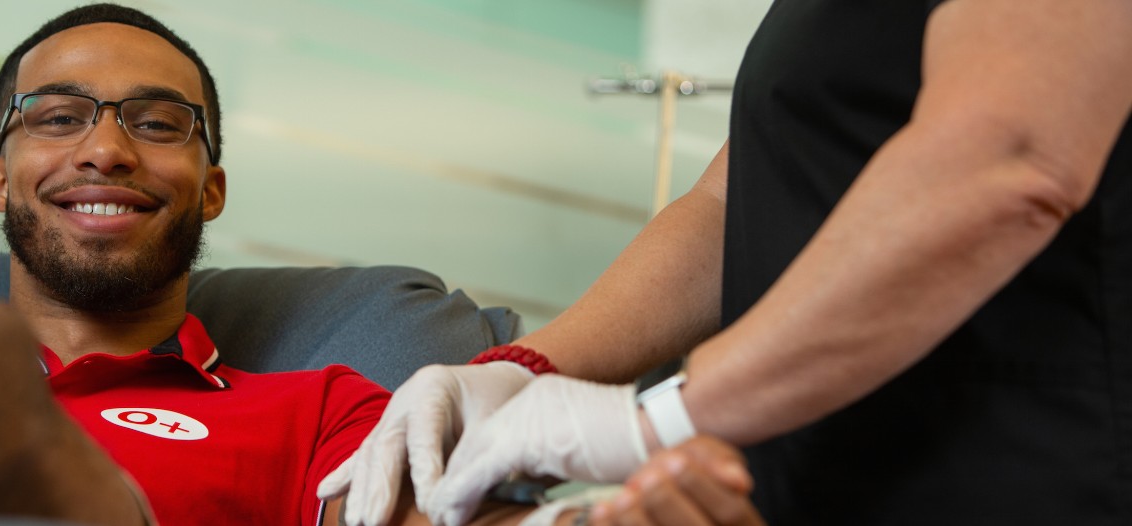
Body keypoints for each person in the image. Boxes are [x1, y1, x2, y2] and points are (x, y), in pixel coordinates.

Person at [0, 3, 763, 525]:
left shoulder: (319, 410)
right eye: (58, 117)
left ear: (211, 190)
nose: (105, 150)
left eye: (158, 123)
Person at [321, 0, 1132, 524]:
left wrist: (663, 419)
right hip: (823, 474)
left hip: (1027, 468)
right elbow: (728, 206)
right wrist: (528, 368)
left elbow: (1011, 165)